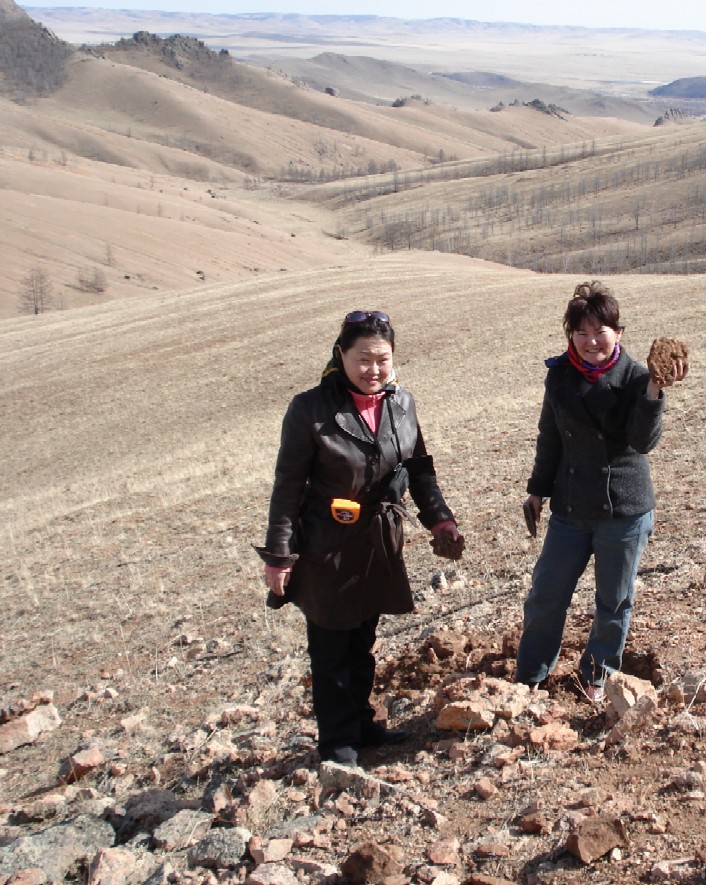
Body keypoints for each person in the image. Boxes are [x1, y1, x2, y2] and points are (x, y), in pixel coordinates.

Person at [256, 310, 462, 765]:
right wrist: (279, 555)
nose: (373, 370)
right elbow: (287, 485)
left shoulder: (402, 404)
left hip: (378, 545)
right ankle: (337, 744)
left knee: (363, 640)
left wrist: (440, 521)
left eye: (382, 360)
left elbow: (419, 468)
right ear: (341, 356)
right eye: (363, 359)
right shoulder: (310, 409)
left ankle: (363, 726)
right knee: (331, 647)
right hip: (325, 548)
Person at [516, 281, 688, 702]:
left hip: (623, 511)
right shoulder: (559, 376)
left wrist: (653, 391)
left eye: (600, 331)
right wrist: (537, 490)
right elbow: (549, 437)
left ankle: (598, 674)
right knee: (546, 593)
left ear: (619, 332)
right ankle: (530, 676)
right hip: (571, 509)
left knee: (614, 601)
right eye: (581, 333)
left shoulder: (636, 378)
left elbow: (643, 442)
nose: (591, 341)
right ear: (570, 335)